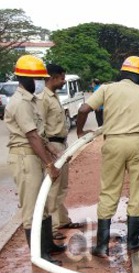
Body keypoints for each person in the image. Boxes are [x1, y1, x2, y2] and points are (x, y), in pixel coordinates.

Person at [76, 56, 139, 257]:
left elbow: (83, 109)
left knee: (109, 190)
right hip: (138, 143)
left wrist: (80, 132)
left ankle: (102, 246)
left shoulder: (107, 89)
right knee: (138, 190)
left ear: (123, 73)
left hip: (113, 142)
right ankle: (132, 241)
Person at [5, 55, 65, 265]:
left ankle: (48, 246)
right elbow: (31, 136)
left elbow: (39, 134)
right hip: (25, 157)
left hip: (34, 154)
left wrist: (50, 150)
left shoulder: (30, 100)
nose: (39, 83)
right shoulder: (20, 103)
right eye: (36, 79)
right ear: (24, 79)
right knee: (32, 207)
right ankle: (39, 256)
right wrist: (49, 164)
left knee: (45, 205)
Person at [38, 64, 85, 241]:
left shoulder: (54, 97)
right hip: (52, 145)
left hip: (61, 144)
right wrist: (48, 153)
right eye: (62, 78)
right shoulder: (43, 99)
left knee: (62, 186)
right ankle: (52, 227)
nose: (63, 81)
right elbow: (39, 128)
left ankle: (62, 220)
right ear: (52, 77)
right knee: (53, 188)